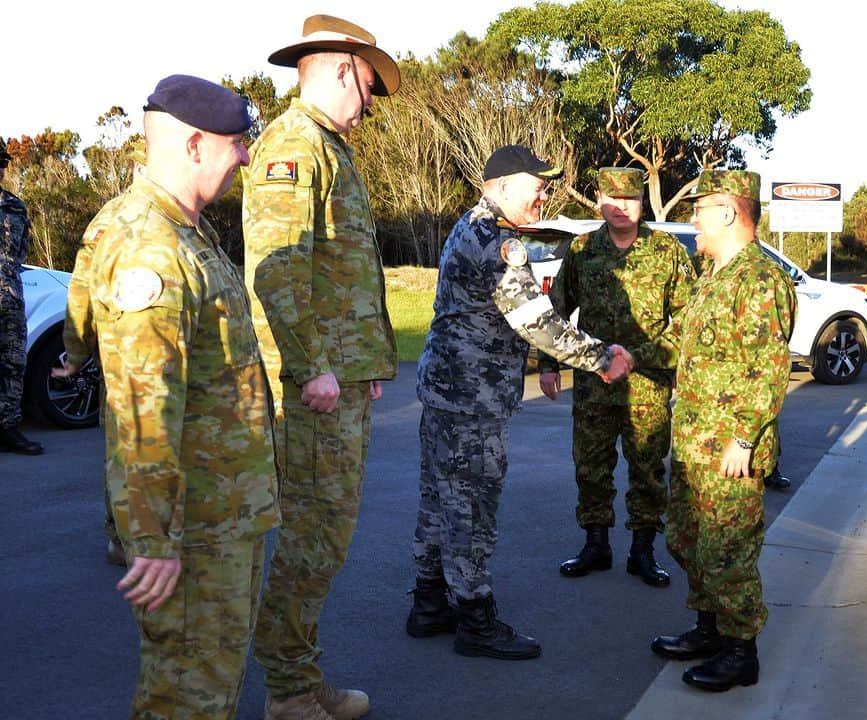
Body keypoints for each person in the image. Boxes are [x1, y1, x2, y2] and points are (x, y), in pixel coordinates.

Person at [88, 74, 278, 720]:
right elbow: (142, 411)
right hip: (193, 528)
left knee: (211, 688)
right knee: (186, 699)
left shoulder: (189, 233)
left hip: (223, 513)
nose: (248, 156)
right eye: (237, 143)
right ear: (194, 145)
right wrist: (155, 540)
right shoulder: (152, 247)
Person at [408, 144, 633, 661]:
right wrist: (600, 358)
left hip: (446, 392)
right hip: (471, 399)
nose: (544, 195)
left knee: (438, 500)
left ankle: (428, 603)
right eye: (538, 186)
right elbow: (535, 320)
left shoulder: (473, 225)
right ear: (505, 185)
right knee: (471, 508)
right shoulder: (496, 239)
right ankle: (474, 618)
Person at [242, 14, 400, 720]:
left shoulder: (329, 148)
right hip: (308, 388)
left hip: (335, 378)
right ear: (340, 69)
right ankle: (290, 689)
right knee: (314, 539)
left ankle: (298, 677)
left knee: (325, 538)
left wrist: (361, 361)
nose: (368, 104)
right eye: (367, 87)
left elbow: (342, 273)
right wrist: (310, 367)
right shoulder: (295, 145)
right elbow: (278, 270)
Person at [643, 169, 796, 693]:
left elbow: (768, 367)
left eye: (701, 209)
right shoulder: (713, 275)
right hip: (693, 439)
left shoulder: (759, 278)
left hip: (730, 446)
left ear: (729, 213)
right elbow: (688, 347)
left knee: (727, 550)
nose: (694, 221)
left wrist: (746, 438)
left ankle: (740, 651)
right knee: (686, 538)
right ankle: (709, 628)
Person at [538, 166, 695, 587]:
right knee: (591, 465)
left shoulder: (668, 252)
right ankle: (596, 544)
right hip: (593, 384)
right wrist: (549, 363)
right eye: (612, 199)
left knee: (646, 469)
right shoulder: (583, 249)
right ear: (598, 200)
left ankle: (642, 551)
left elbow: (686, 320)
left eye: (630, 199)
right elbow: (555, 308)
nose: (621, 207)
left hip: (648, 383)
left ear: (642, 203)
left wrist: (638, 356)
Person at [54, 138, 146, 566]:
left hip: (140, 353)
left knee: (133, 446)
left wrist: (76, 352)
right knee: (131, 448)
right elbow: (82, 289)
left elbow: (80, 292)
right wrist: (75, 351)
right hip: (127, 353)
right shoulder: (117, 218)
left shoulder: (174, 217)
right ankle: (125, 537)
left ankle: (130, 534)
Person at [0, 139, 44, 455]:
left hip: (10, 300)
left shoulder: (15, 207)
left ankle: (8, 430)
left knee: (13, 365)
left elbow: (20, 253)